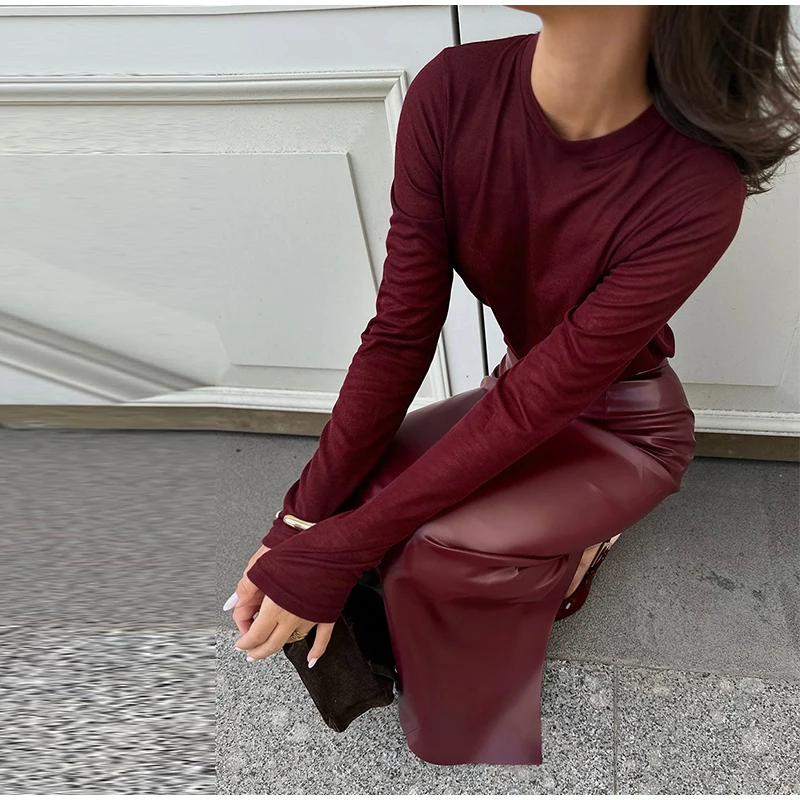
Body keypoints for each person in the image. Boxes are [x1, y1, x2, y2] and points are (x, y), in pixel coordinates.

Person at [223, 6, 800, 765]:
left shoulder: (698, 185)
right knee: (353, 495)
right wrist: (297, 524)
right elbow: (400, 332)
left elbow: (537, 404)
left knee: (429, 547)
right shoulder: (452, 90)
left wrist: (339, 551)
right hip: (521, 389)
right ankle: (542, 546)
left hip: (626, 430)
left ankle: (467, 720)